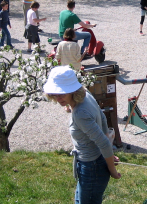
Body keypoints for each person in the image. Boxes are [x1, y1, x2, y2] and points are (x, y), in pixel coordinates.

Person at [43, 66, 121, 203]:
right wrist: (106, 155)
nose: (58, 97)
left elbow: (103, 142)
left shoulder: (80, 113)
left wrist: (112, 169)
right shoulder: (85, 94)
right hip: (94, 164)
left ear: (73, 90)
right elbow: (102, 118)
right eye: (55, 93)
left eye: (62, 93)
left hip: (92, 169)